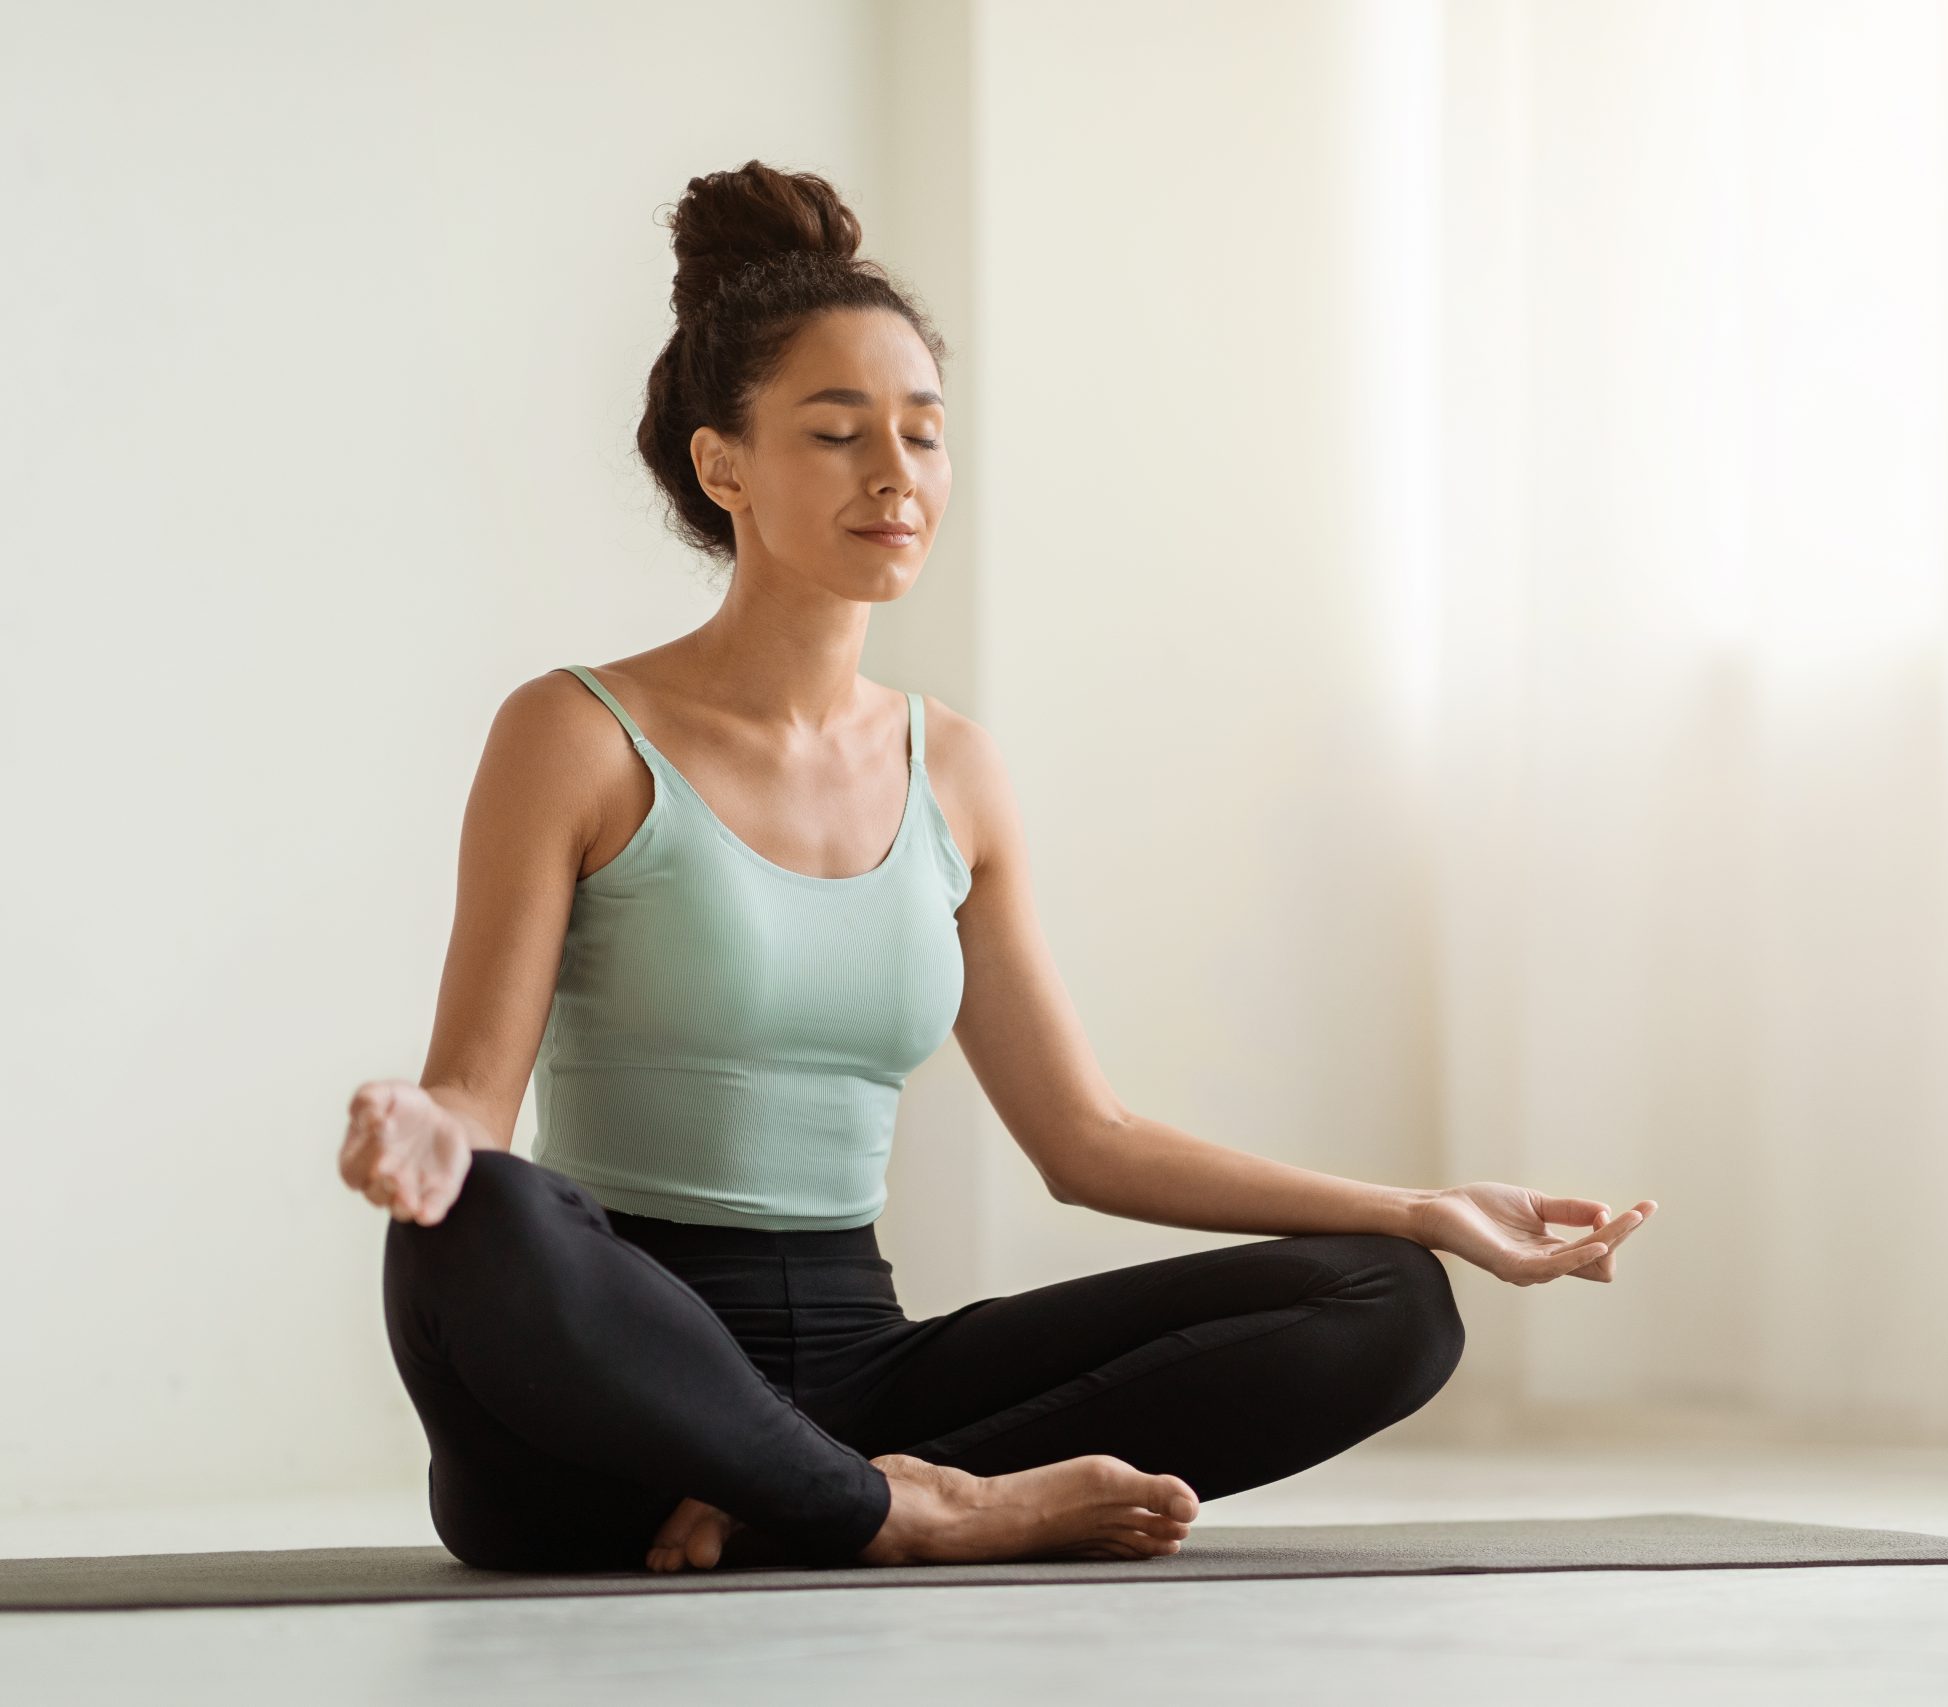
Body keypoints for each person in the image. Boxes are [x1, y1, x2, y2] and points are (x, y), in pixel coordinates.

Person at [337, 159, 1658, 1576]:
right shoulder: (578, 734)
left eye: (923, 434)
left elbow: (1086, 1141)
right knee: (476, 1222)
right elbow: (473, 1101)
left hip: (861, 1363)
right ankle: (900, 1508)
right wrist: (426, 1141)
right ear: (723, 464)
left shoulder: (952, 772)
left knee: (1392, 1303)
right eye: (838, 434)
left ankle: (818, 1492)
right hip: (609, 1402)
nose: (895, 475)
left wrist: (1421, 1206)